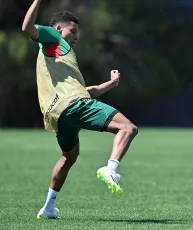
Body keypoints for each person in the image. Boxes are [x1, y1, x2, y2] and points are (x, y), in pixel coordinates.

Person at [22, 0, 138, 219]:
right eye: (72, 31)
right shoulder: (53, 38)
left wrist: (110, 85)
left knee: (69, 157)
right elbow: (27, 28)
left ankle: (48, 208)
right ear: (58, 29)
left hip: (58, 115)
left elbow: (85, 92)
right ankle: (111, 169)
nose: (75, 36)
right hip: (73, 105)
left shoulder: (58, 57)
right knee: (128, 128)